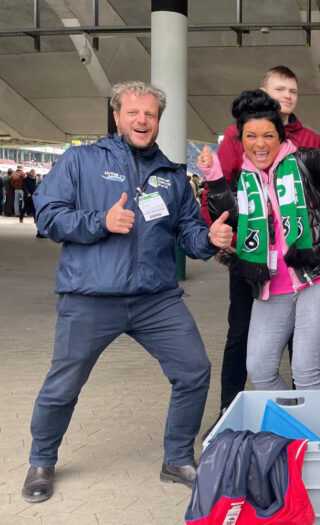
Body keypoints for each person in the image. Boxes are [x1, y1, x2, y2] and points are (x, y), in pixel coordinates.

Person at [22, 81, 234, 504]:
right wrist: (100, 221)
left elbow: (187, 234)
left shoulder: (172, 176)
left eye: (150, 114)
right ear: (117, 116)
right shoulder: (81, 160)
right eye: (134, 113)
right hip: (89, 296)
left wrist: (210, 238)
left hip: (155, 299)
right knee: (63, 385)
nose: (142, 121)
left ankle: (176, 458)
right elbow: (47, 215)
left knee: (194, 370)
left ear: (158, 121)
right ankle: (42, 460)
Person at [202, 80, 320, 392]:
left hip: (319, 275)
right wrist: (214, 178)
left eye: (268, 136)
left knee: (305, 368)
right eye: (251, 137)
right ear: (242, 141)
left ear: (280, 137)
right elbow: (230, 214)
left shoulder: (302, 162)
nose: (260, 144)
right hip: (271, 283)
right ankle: (289, 430)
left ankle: (312, 440)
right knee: (259, 368)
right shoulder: (244, 181)